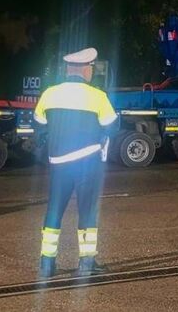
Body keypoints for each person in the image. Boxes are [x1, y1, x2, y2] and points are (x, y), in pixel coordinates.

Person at [34, 48, 118, 278]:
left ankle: (46, 263)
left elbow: (39, 123)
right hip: (87, 162)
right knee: (87, 212)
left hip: (58, 162)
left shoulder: (49, 93)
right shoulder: (97, 96)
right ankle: (87, 264)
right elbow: (112, 125)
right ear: (85, 69)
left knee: (54, 210)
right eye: (91, 68)